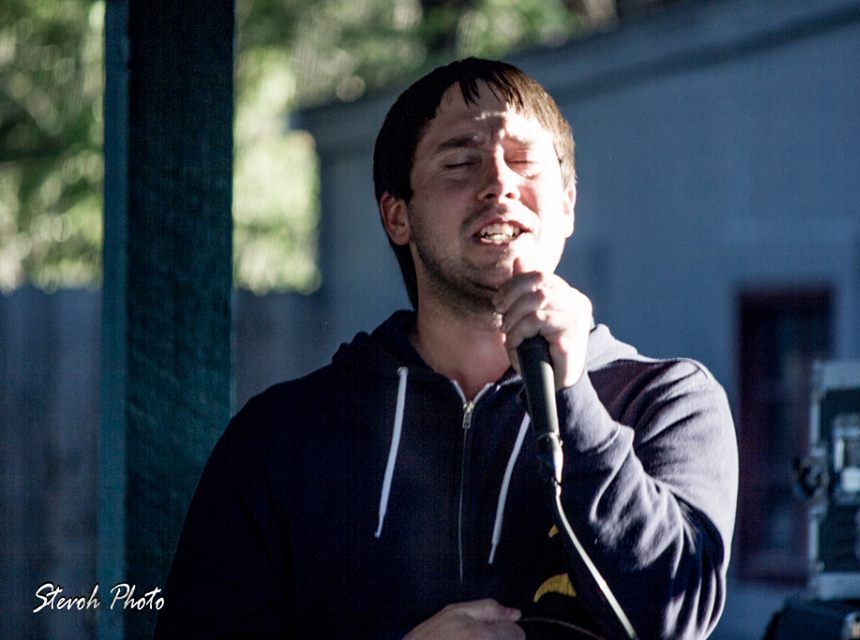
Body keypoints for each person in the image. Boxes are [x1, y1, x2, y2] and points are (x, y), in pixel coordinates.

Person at [155, 57, 738, 639]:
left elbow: (677, 618)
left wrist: (572, 399)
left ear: (567, 206)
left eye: (524, 162)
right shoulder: (282, 435)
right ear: (397, 217)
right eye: (460, 162)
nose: (499, 183)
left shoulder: (667, 401)